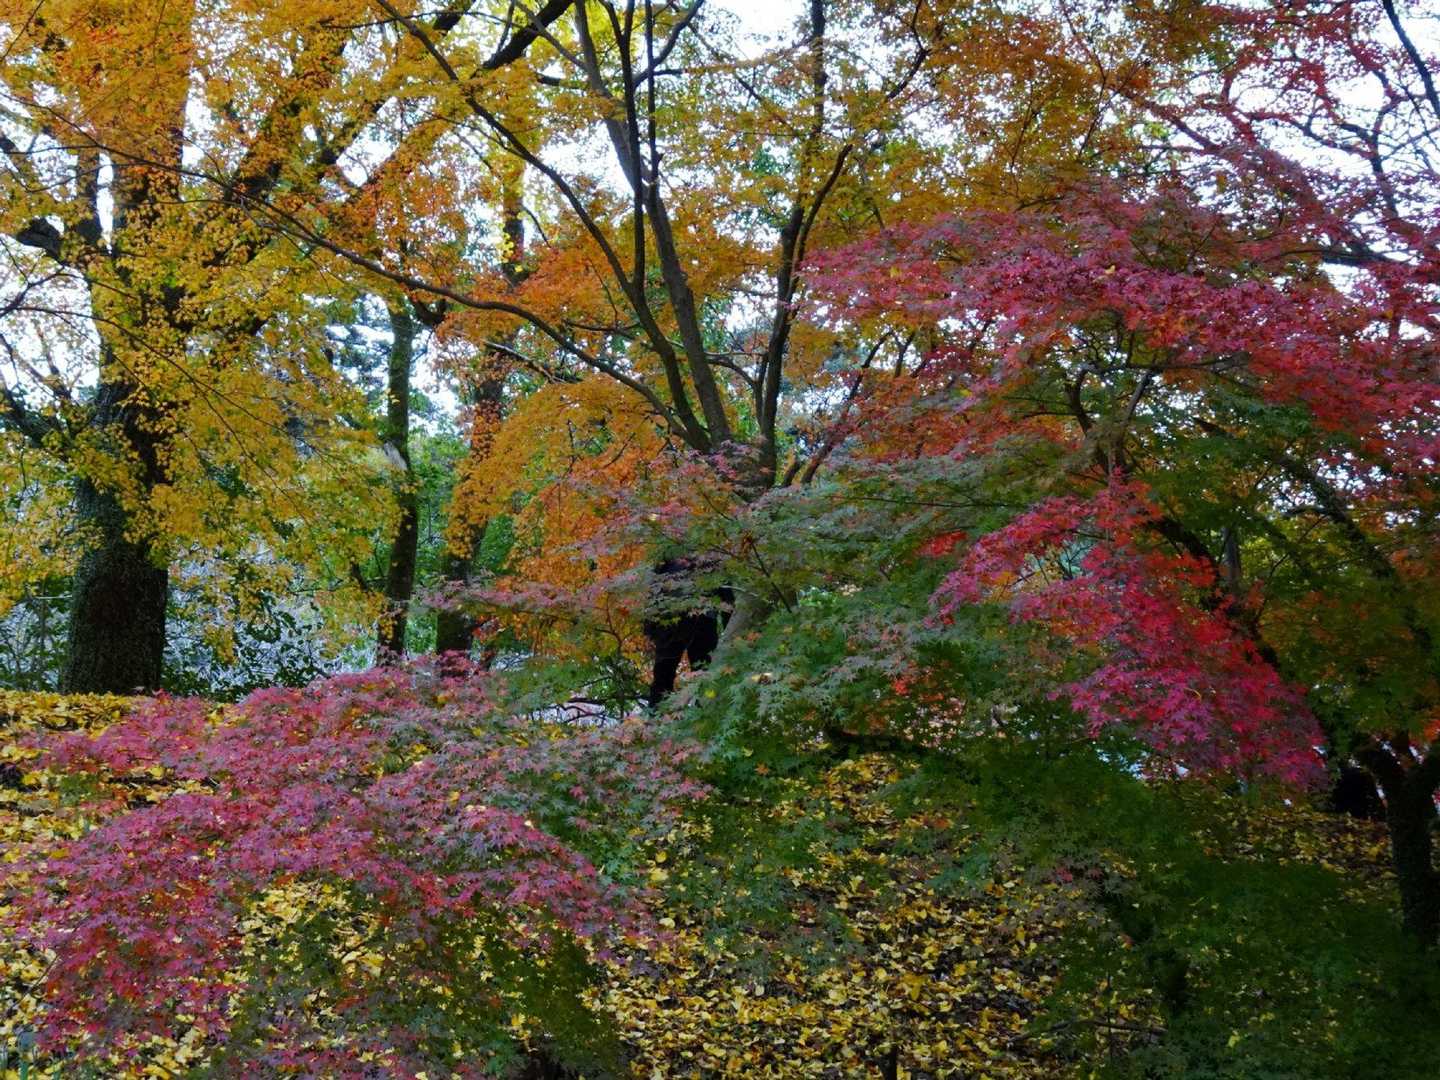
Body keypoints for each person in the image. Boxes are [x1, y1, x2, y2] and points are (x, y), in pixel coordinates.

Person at [642, 556, 732, 707]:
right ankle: (658, 715)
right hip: (671, 624)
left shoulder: (712, 558)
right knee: (665, 677)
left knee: (702, 674)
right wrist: (651, 629)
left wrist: (730, 631)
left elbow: (726, 597)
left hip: (699, 622)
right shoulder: (666, 559)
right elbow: (654, 595)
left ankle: (702, 713)